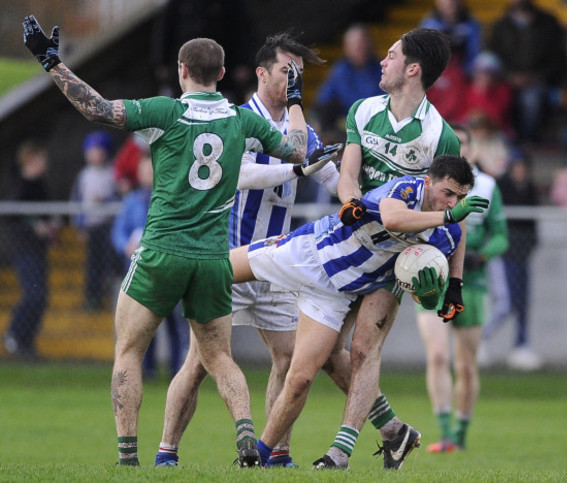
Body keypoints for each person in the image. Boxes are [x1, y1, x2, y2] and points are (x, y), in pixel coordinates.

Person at [22, 15, 337, 467]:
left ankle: (129, 456)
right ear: (224, 75)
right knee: (220, 357)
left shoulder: (166, 112)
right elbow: (299, 151)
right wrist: (294, 98)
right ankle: (247, 434)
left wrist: (52, 63)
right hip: (213, 258)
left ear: (181, 71)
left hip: (162, 251)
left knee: (129, 349)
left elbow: (96, 108)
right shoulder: (237, 118)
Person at [153, 31, 341, 468]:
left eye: (299, 73)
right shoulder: (236, 119)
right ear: (261, 73)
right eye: (285, 71)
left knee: (291, 356)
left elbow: (333, 181)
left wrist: (370, 204)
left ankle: (277, 452)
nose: (293, 80)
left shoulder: (302, 132)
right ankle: (167, 452)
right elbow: (241, 174)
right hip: (230, 259)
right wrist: (296, 170)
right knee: (201, 362)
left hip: (275, 265)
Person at [237, 156, 487, 468]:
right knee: (216, 272)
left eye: (460, 197)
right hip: (313, 248)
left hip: (336, 292)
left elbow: (423, 293)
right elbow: (394, 219)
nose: (453, 202)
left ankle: (259, 458)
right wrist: (449, 215)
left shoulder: (446, 237)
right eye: (448, 193)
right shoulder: (406, 189)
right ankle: (393, 430)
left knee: (302, 376)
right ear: (428, 182)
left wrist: (438, 290)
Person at [322, 28, 464, 470]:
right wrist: (351, 203)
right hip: (351, 242)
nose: (383, 61)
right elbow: (348, 173)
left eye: (391, 55)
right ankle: (395, 432)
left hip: (397, 258)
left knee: (364, 349)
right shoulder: (363, 110)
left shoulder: (441, 137)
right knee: (327, 351)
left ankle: (338, 454)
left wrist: (454, 284)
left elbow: (455, 218)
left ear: (412, 69)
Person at [416, 124, 508, 453]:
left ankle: (461, 432)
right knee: (438, 356)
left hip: (473, 283)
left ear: (474, 149)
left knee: (466, 366)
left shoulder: (487, 186)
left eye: (465, 143)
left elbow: (501, 234)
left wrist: (482, 255)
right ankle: (444, 434)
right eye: (454, 145)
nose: (460, 149)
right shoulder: (428, 185)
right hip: (432, 281)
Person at [111, 154, 189, 381]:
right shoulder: (131, 202)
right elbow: (117, 232)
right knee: (143, 325)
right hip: (140, 274)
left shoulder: (172, 201)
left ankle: (177, 369)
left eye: (151, 170)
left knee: (175, 323)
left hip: (168, 273)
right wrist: (126, 245)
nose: (147, 174)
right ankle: (148, 370)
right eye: (144, 170)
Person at [484, 149, 542, 371]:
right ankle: (481, 336)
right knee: (505, 302)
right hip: (504, 255)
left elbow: (533, 224)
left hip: (522, 254)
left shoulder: (530, 189)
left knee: (522, 302)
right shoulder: (502, 187)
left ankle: (522, 344)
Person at [2, 140, 60, 360]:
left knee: (41, 296)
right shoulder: (19, 184)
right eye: (41, 158)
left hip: (38, 250)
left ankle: (26, 342)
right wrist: (35, 223)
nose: (45, 163)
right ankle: (14, 334)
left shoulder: (41, 185)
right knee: (34, 294)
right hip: (23, 249)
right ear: (30, 160)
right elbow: (12, 214)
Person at [488, 0, 567, 143]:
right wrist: (508, 76)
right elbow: (493, 57)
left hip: (539, 80)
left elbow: (559, 59)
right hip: (505, 80)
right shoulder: (500, 26)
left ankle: (526, 143)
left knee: (531, 100)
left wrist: (534, 77)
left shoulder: (549, 23)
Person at [69, 130, 120, 312]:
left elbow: (118, 197)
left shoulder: (112, 172)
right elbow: (76, 201)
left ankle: (112, 296)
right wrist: (79, 226)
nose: (96, 155)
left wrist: (105, 201)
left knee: (109, 263)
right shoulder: (84, 175)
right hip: (91, 226)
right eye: (92, 151)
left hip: (108, 226)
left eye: (99, 150)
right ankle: (92, 299)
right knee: (92, 265)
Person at [311, 24, 383, 141]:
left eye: (363, 45)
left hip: (376, 127)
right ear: (346, 47)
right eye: (356, 46)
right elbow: (323, 102)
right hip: (346, 129)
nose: (360, 50)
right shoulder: (340, 70)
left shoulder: (383, 69)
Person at [420, 0, 482, 75]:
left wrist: (467, 71)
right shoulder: (429, 23)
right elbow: (425, 53)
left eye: (452, 3)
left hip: (463, 69)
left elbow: (474, 51)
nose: (450, 5)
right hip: (437, 70)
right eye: (446, 3)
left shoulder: (471, 24)